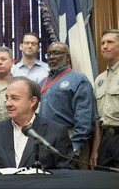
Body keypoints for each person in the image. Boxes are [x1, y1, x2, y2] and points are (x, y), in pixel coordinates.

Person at [0, 76, 74, 169]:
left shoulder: (56, 132)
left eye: (14, 98)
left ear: (32, 101)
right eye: (7, 98)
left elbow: (65, 172)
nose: (8, 103)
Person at [38, 41, 95, 169]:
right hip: (45, 140)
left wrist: (76, 146)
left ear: (67, 57)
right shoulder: (43, 83)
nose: (51, 57)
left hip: (70, 138)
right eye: (49, 54)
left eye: (56, 53)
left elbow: (84, 117)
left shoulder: (79, 79)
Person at [90, 29, 119, 169]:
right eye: (102, 43)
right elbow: (98, 120)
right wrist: (96, 149)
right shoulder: (99, 79)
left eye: (110, 42)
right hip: (105, 141)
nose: (104, 46)